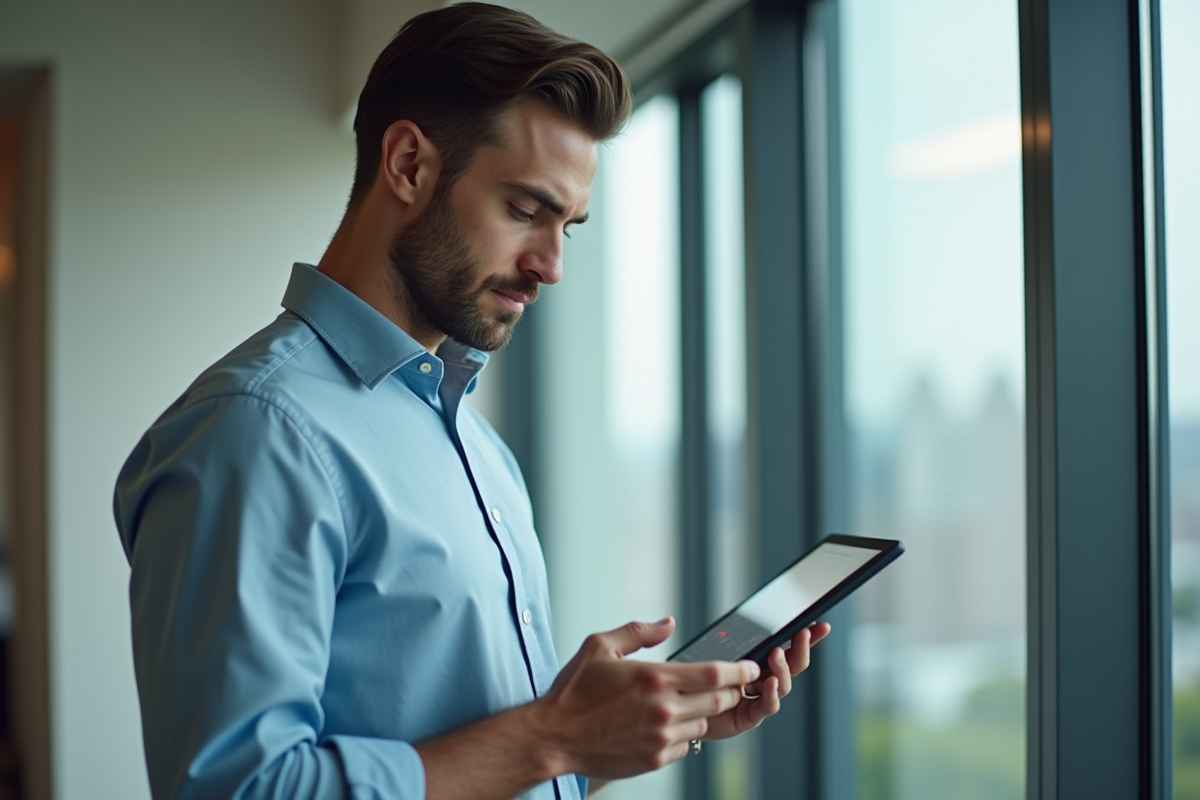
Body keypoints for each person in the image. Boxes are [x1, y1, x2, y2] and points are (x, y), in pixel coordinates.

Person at [113, 4, 830, 799]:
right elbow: (240, 790)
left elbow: (496, 761)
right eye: (525, 211)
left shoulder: (474, 443)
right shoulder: (255, 432)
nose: (552, 265)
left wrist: (614, 736)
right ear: (408, 165)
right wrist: (553, 735)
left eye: (568, 226)